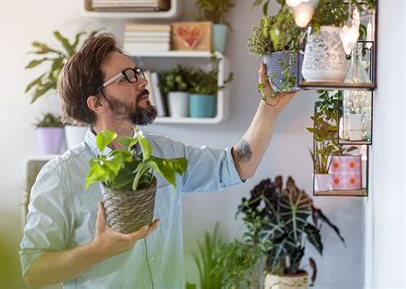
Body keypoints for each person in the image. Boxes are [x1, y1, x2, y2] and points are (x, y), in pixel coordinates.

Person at [20, 33, 295, 288]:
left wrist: (268, 110)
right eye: (127, 77)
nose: (142, 81)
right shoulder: (60, 176)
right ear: (96, 103)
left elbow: (236, 165)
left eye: (137, 72)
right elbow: (33, 270)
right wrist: (97, 250)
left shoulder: (164, 154)